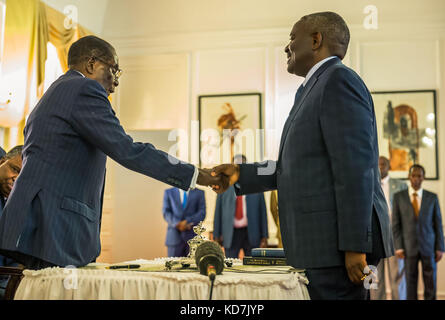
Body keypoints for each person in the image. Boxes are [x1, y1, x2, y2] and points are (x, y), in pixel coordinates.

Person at [210, 12, 394, 300]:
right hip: (321, 248)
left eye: (292, 38)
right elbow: (294, 168)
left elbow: (355, 170)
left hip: (336, 251)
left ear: (316, 40)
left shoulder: (338, 81)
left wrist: (355, 245)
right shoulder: (314, 87)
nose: (287, 47)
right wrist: (240, 173)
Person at [0, 36, 222, 270]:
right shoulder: (83, 89)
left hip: (36, 224)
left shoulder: (56, 91)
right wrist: (197, 174)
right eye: (114, 70)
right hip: (55, 226)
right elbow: (128, 150)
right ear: (92, 64)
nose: (116, 82)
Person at [392, 164, 444, 300]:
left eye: (419, 176)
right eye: (413, 175)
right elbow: (396, 225)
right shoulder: (398, 197)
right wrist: (398, 246)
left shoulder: (432, 197)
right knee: (410, 282)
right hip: (408, 248)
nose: (416, 179)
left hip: (429, 247)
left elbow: (438, 224)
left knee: (430, 282)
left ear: (423, 177)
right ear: (409, 177)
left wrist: (440, 248)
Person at [213, 155, 268, 258]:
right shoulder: (224, 187)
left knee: (252, 266)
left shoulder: (256, 186)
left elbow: (262, 212)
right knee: (230, 267)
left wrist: (264, 236)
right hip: (231, 233)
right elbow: (218, 212)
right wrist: (216, 235)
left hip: (251, 233)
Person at [371, 156, 408, 300]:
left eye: (383, 164)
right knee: (374, 278)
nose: (380, 167)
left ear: (389, 166)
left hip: (395, 238)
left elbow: (405, 214)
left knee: (397, 277)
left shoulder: (401, 185)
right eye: (378, 164)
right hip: (374, 238)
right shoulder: (369, 183)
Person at [0, 146, 23, 299]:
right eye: (14, 169)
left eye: (22, 177)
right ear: (2, 161)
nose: (15, 179)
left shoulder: (13, 205)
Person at [162, 187, 206, 257]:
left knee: (192, 267)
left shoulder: (199, 193)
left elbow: (202, 213)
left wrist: (187, 221)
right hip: (174, 238)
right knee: (173, 267)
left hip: (192, 238)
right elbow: (166, 213)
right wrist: (178, 224)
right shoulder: (168, 192)